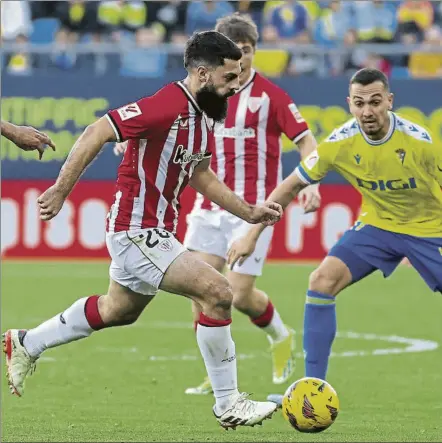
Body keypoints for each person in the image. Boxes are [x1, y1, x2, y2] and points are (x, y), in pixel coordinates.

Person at [2, 31, 283, 429]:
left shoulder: (204, 116)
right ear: (203, 74)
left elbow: (202, 176)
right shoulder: (166, 105)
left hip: (157, 231)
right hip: (136, 229)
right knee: (219, 292)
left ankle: (28, 342)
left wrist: (249, 211)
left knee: (118, 310)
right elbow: (98, 131)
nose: (235, 86)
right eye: (229, 78)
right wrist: (61, 190)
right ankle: (228, 403)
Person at [227, 68, 442, 405]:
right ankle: (311, 390)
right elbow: (291, 186)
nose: (367, 111)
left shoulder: (420, 142)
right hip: (378, 226)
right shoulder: (340, 143)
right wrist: (252, 235)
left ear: (389, 101)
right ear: (349, 104)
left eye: (374, 102)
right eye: (359, 103)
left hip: (431, 230)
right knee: (321, 280)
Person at [183, 13, 320, 396]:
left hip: (253, 211)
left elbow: (307, 143)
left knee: (238, 294)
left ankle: (279, 334)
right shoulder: (208, 94)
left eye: (247, 52)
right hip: (209, 208)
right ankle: (216, 371)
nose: (241, 61)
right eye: (234, 53)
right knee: (198, 287)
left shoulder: (272, 97)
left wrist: (312, 183)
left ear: (255, 51)